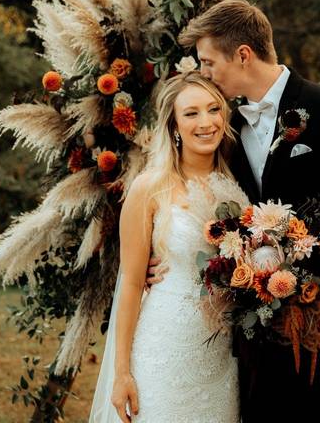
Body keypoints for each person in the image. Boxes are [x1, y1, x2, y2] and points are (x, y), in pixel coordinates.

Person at [172, 0, 320, 421]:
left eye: (207, 62)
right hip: (256, 335)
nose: (204, 73)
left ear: (242, 55)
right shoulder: (226, 128)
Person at [89, 72, 244, 423]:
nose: (206, 122)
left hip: (223, 354)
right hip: (165, 345)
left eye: (213, 110)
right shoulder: (149, 188)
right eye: (191, 113)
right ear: (173, 125)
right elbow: (129, 282)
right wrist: (122, 372)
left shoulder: (236, 183)